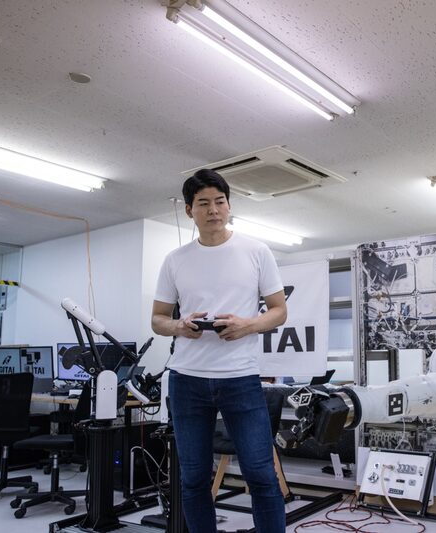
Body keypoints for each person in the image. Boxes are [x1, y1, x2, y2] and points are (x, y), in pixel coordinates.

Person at [151, 169, 288, 533]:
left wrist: (248, 324)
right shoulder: (175, 260)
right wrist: (180, 326)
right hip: (187, 380)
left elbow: (279, 310)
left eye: (220, 201)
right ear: (189, 210)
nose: (213, 210)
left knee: (261, 473)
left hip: (240, 378)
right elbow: (158, 319)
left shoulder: (256, 251)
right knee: (194, 477)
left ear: (229, 206)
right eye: (203, 203)